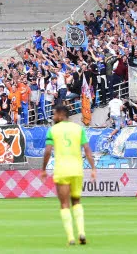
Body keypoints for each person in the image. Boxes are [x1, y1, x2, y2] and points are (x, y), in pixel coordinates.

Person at [41, 104, 97, 246]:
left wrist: (43, 169)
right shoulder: (79, 129)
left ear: (60, 114)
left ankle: (71, 238)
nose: (53, 117)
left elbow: (48, 151)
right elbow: (87, 149)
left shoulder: (53, 130)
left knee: (64, 204)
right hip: (77, 170)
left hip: (62, 170)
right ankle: (82, 232)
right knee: (77, 201)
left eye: (54, 114)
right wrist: (93, 168)